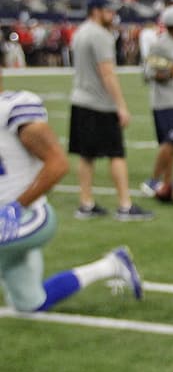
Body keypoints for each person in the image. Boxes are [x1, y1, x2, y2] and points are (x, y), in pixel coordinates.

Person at [0, 67, 144, 312]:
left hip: (28, 216)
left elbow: (57, 165)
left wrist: (16, 206)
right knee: (31, 303)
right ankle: (112, 265)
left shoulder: (13, 108)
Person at [68, 0, 153, 222]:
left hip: (80, 99)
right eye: (108, 11)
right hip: (99, 103)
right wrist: (121, 105)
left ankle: (86, 203)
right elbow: (107, 73)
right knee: (117, 154)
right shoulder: (100, 35)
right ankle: (125, 205)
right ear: (96, 10)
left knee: (86, 155)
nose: (112, 15)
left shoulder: (80, 32)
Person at [141, 5, 173, 201]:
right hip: (166, 101)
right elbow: (147, 73)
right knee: (169, 142)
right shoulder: (161, 45)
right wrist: (165, 74)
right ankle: (153, 180)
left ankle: (167, 181)